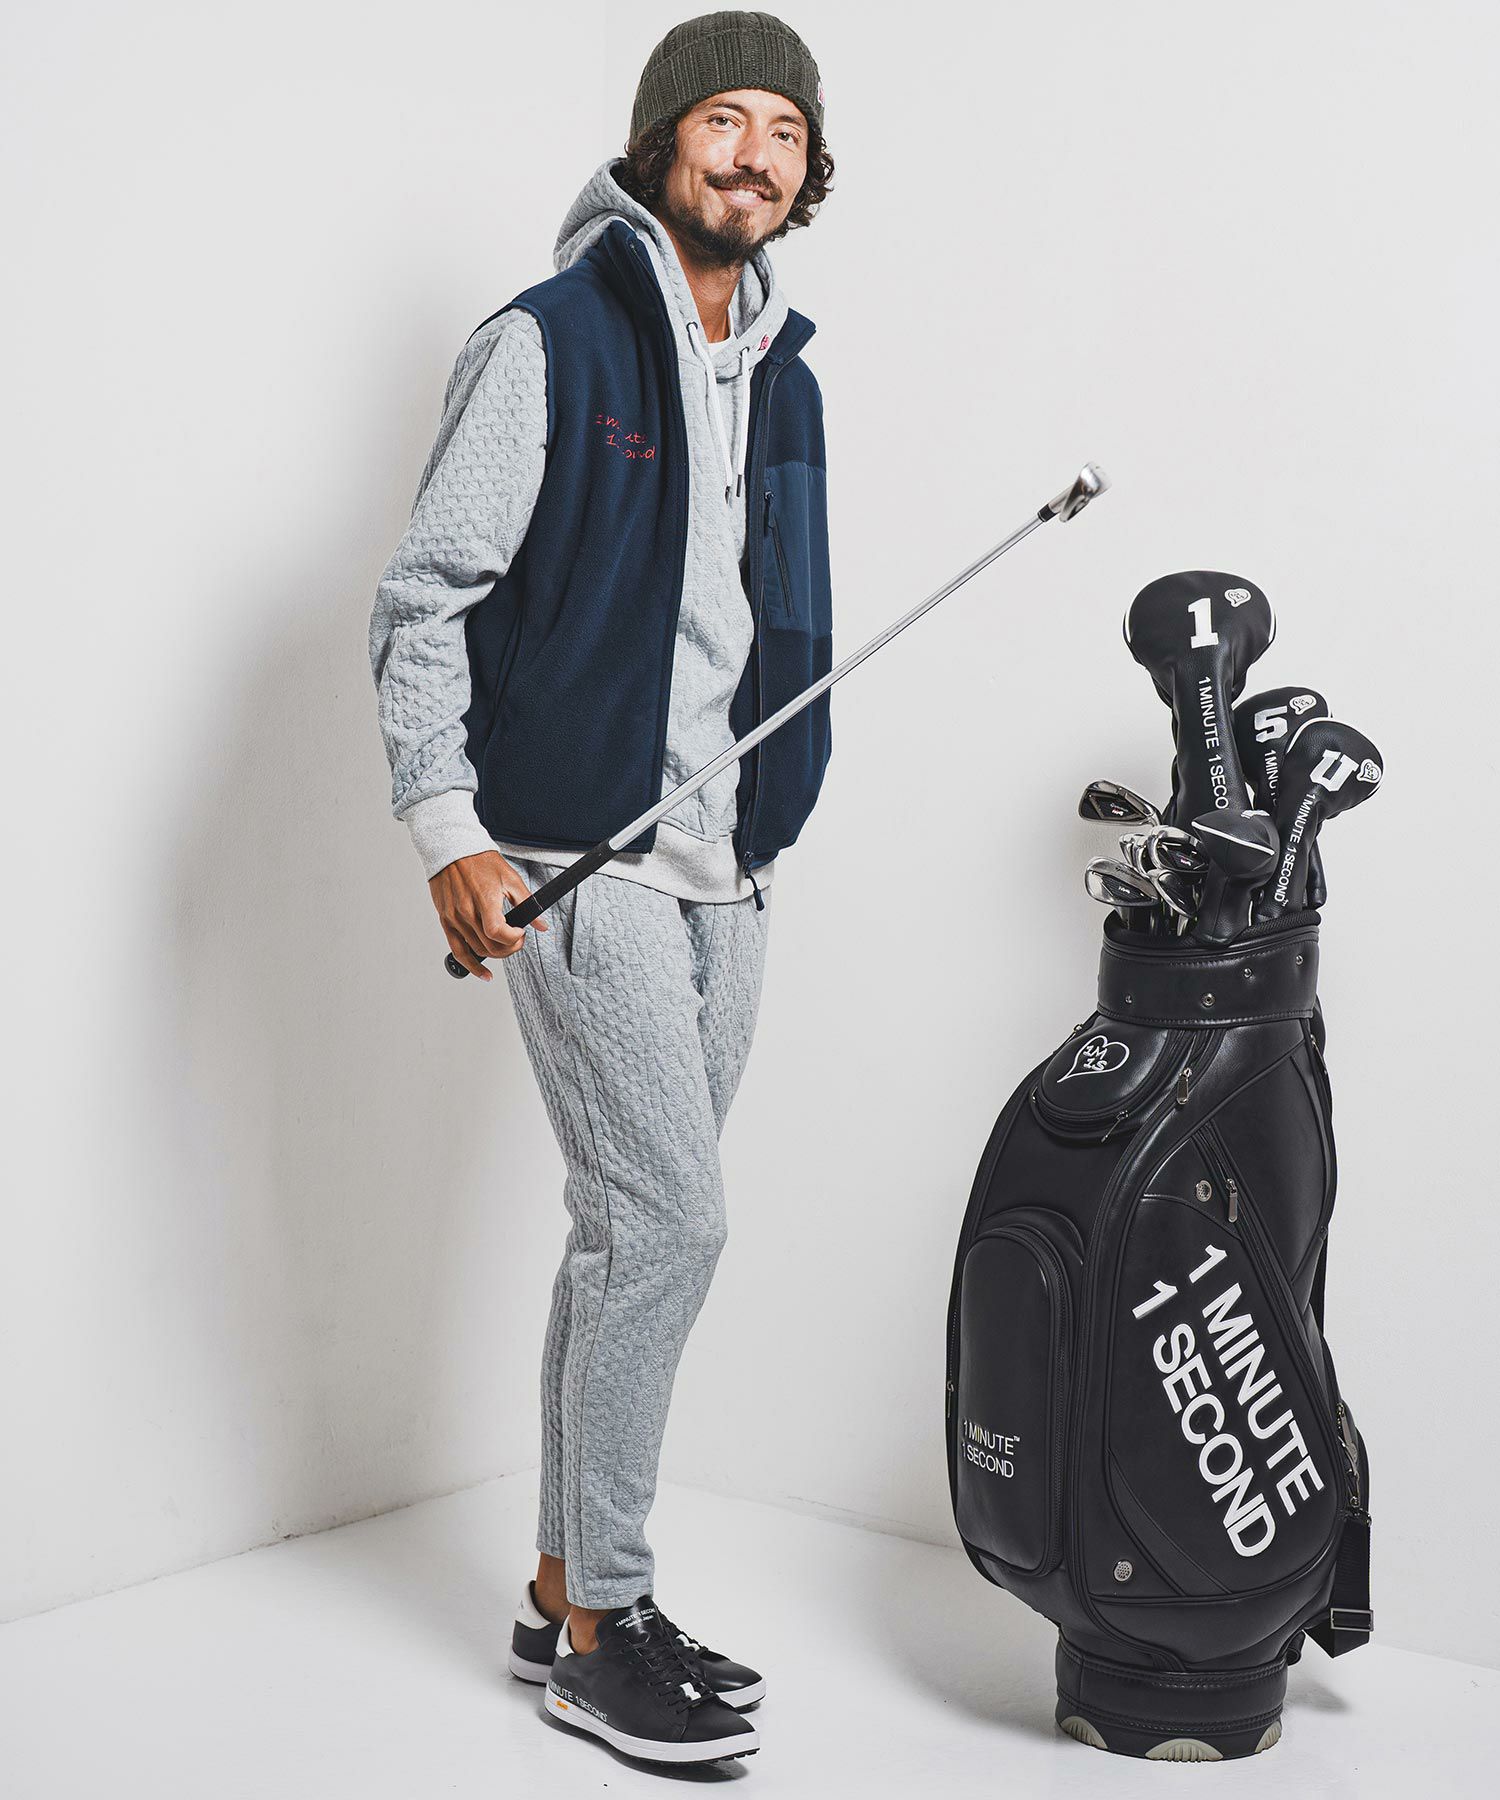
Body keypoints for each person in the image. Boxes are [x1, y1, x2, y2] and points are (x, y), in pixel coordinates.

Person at [367, 10, 834, 1766]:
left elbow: (771, 619)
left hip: (733, 867)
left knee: (626, 1232)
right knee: (674, 1224)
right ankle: (609, 1632)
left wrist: (780, 807)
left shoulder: (788, 378)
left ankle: (564, 1584)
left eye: (785, 132)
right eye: (725, 119)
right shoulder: (549, 340)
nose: (754, 156)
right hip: (582, 855)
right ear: (659, 142)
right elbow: (426, 596)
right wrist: (451, 830)